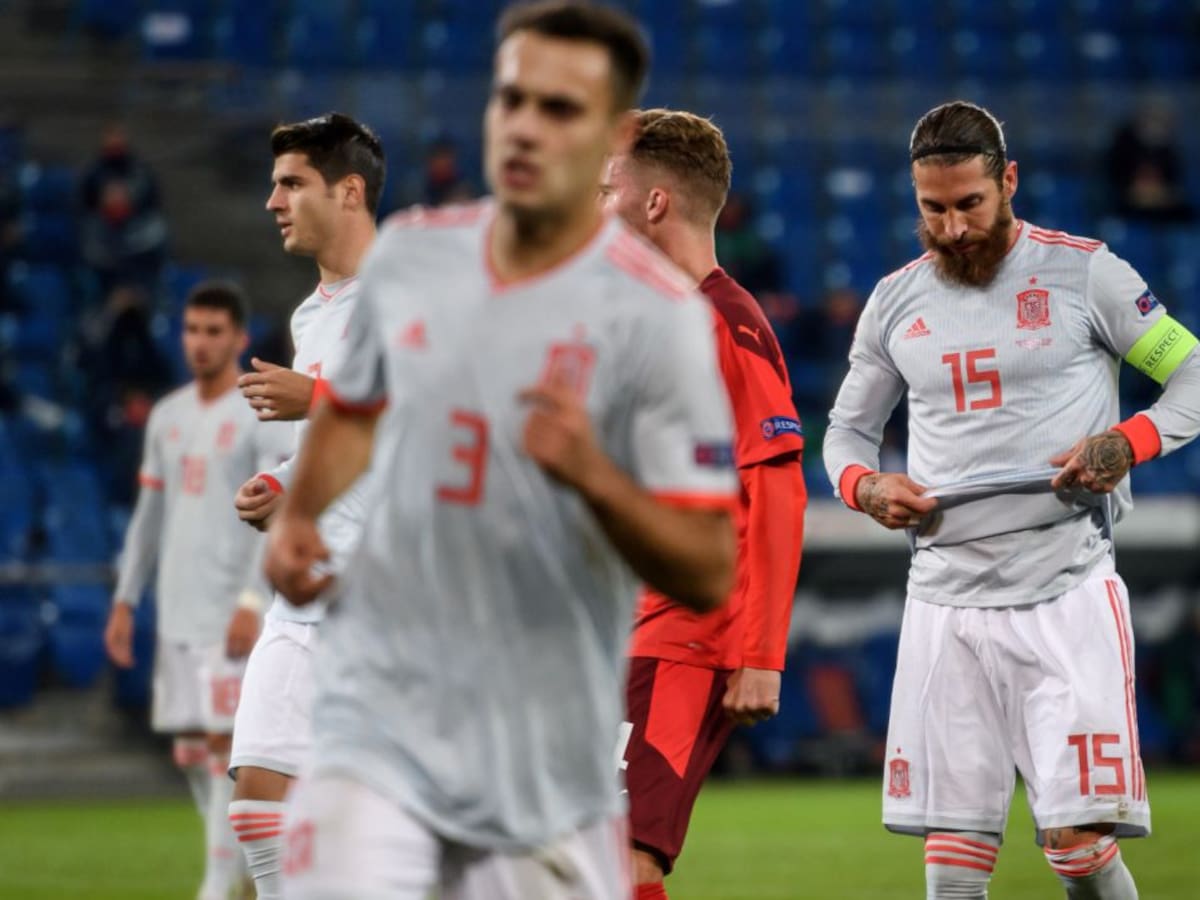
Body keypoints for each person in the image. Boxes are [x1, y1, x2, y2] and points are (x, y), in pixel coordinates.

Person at [267, 3, 738, 898]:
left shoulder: (660, 321)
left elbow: (709, 565)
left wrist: (593, 474)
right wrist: (300, 516)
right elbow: (353, 412)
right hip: (379, 709)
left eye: (559, 109)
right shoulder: (411, 259)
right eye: (511, 98)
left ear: (613, 136)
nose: (525, 125)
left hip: (542, 754)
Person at [823, 100, 1200, 900]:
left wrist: (1127, 441)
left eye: (970, 204)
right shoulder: (895, 301)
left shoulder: (1087, 273)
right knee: (952, 860)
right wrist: (865, 485)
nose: (954, 228)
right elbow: (846, 434)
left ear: (1010, 182)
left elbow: (1192, 372)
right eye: (933, 209)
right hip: (944, 603)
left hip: (1064, 590)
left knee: (1078, 844)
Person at [599, 108, 807, 900]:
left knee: (622, 857)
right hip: (630, 627)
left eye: (606, 191)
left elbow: (777, 488)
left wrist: (761, 654)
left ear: (655, 202)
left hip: (685, 638)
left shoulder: (726, 322)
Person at [225, 112, 384, 900]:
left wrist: (316, 398)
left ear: (348, 191)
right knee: (260, 806)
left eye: (292, 183)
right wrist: (285, 485)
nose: (273, 201)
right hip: (310, 591)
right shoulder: (313, 313)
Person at [104, 282, 292, 900]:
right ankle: (241, 871)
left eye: (214, 331)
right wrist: (126, 598)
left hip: (231, 610)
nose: (201, 343)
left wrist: (252, 601)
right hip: (178, 608)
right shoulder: (167, 416)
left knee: (221, 744)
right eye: (192, 330)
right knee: (190, 750)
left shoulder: (258, 410)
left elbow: (279, 505)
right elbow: (149, 516)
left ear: (239, 338)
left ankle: (217, 883)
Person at [79, 124, 169, 297]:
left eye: (118, 136)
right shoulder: (92, 176)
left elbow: (154, 207)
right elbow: (83, 213)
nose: (114, 141)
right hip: (105, 268)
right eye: (110, 136)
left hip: (140, 262)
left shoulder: (141, 173)